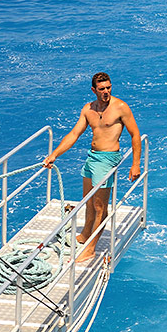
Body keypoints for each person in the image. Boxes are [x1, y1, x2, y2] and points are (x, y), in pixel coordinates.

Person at [43, 72, 141, 261]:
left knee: (100, 207)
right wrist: (54, 155)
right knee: (88, 200)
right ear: (94, 90)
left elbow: (135, 135)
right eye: (102, 88)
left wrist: (135, 164)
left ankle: (91, 248)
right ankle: (86, 234)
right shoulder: (88, 109)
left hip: (108, 159)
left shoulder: (120, 107)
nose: (106, 92)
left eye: (109, 87)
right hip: (92, 157)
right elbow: (74, 134)